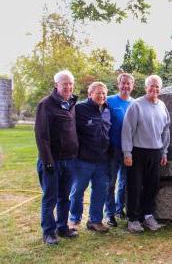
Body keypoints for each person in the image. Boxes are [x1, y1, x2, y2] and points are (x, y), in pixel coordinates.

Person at [34, 70, 79, 245]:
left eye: (70, 83)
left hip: (70, 160)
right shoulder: (46, 105)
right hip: (53, 161)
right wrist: (48, 161)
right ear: (56, 85)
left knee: (65, 197)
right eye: (64, 83)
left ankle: (62, 227)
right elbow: (41, 136)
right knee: (50, 197)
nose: (68, 86)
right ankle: (48, 232)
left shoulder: (72, 104)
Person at [122, 75, 170, 233]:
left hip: (156, 152)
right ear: (145, 88)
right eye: (151, 86)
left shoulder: (162, 105)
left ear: (160, 89)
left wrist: (164, 152)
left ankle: (148, 216)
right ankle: (133, 219)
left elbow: (166, 130)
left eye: (157, 86)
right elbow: (127, 129)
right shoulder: (136, 105)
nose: (154, 89)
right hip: (137, 152)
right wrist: (127, 153)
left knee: (152, 185)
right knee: (135, 186)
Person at [69, 82, 111, 233]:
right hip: (83, 159)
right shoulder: (79, 109)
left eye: (104, 93)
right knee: (78, 190)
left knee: (100, 191)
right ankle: (74, 219)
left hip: (102, 160)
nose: (101, 96)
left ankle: (95, 221)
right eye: (98, 93)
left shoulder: (107, 109)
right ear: (90, 94)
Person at [104, 73, 135, 227]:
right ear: (118, 84)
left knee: (124, 183)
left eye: (128, 83)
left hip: (129, 149)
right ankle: (109, 214)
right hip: (112, 149)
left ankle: (119, 208)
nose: (125, 86)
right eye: (123, 83)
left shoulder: (135, 104)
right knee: (110, 183)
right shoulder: (109, 101)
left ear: (132, 86)